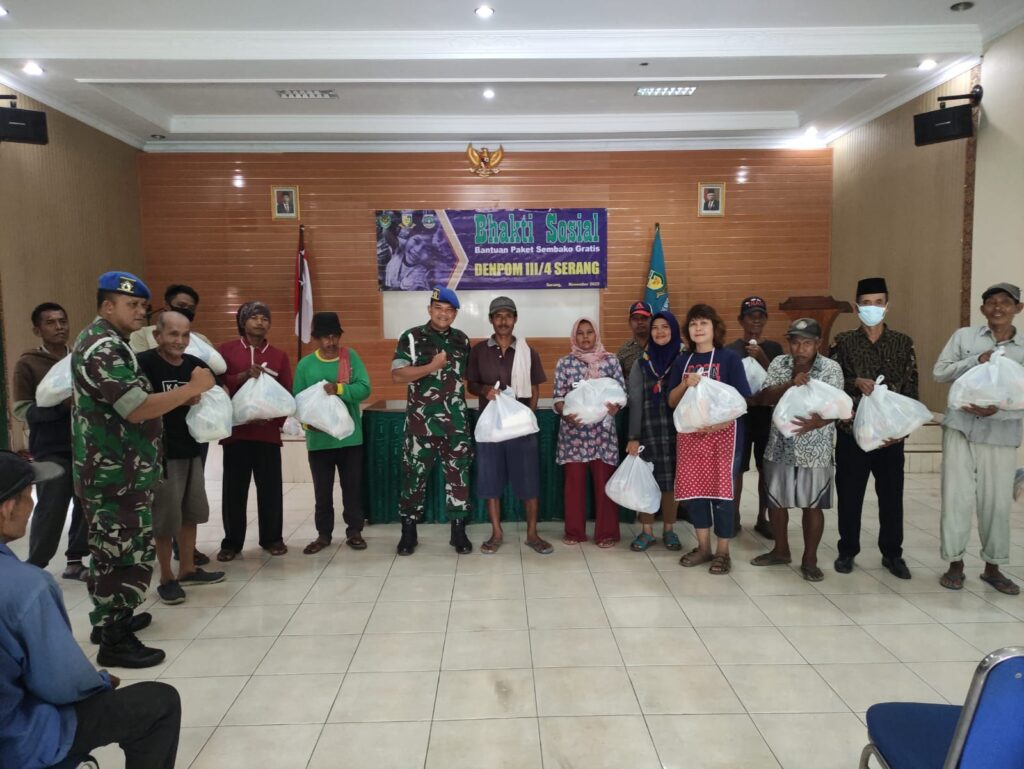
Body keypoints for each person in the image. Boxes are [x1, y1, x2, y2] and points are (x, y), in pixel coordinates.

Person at [0, 450, 182, 769]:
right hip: (15, 740)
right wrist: (99, 682)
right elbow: (62, 683)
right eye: (29, 496)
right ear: (6, 508)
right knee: (159, 703)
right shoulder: (26, 586)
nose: (31, 506)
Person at [72, 271, 215, 668]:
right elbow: (135, 407)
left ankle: (110, 621)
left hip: (118, 469)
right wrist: (192, 388)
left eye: (142, 306)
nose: (139, 311)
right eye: (131, 304)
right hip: (114, 474)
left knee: (110, 550)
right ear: (107, 306)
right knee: (121, 553)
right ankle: (116, 641)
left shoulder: (108, 342)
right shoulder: (104, 347)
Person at [933, 282, 1024, 595]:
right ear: (983, 308)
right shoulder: (964, 337)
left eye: (1005, 302)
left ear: (1018, 308)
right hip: (960, 427)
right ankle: (955, 563)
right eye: (991, 302)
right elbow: (940, 372)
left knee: (996, 503)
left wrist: (997, 412)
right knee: (955, 498)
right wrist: (975, 361)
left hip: (1002, 433)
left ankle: (993, 567)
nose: (998, 307)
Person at [829, 277, 918, 580]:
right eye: (866, 303)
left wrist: (902, 431)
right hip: (852, 433)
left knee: (891, 496)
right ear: (857, 308)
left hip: (890, 437)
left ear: (887, 305)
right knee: (850, 495)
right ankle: (847, 550)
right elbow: (831, 383)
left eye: (878, 303)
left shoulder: (903, 343)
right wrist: (854, 381)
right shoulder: (843, 342)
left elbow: (911, 389)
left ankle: (892, 553)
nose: (872, 308)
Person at [130, 283, 221, 567]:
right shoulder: (143, 363)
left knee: (191, 513)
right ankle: (167, 575)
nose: (179, 341)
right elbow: (141, 405)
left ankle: (187, 568)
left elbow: (213, 391)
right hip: (161, 454)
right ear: (157, 335)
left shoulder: (194, 364)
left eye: (185, 335)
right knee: (165, 519)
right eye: (172, 334)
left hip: (191, 448)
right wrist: (184, 396)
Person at [749, 318, 843, 582]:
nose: (800, 349)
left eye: (807, 343)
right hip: (779, 446)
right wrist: (790, 384)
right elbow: (764, 397)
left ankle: (810, 560)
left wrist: (818, 422)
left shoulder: (830, 368)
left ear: (818, 344)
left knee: (812, 505)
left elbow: (838, 406)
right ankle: (781, 550)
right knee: (776, 502)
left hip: (815, 449)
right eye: (795, 342)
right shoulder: (780, 363)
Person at [667, 304, 751, 574]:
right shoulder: (683, 361)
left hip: (724, 436)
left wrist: (718, 425)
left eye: (704, 323)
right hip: (691, 437)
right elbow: (671, 401)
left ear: (715, 328)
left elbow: (742, 400)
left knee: (722, 495)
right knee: (695, 494)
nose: (698, 328)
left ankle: (723, 551)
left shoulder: (729, 359)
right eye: (693, 324)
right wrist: (684, 384)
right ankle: (703, 547)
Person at [391, 286, 474, 556]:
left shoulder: (462, 340)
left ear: (455, 314)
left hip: (456, 425)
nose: (443, 314)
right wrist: (431, 367)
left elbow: (466, 378)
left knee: (459, 478)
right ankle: (408, 532)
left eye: (449, 310)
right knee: (413, 478)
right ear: (430, 310)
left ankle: (458, 531)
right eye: (439, 309)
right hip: (421, 424)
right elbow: (398, 375)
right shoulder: (412, 337)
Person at [466, 296, 551, 555]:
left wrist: (528, 418)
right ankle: (496, 533)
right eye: (498, 316)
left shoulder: (528, 352)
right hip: (491, 427)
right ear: (491, 320)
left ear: (515, 319)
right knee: (491, 480)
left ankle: (532, 534)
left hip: (520, 428)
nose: (503, 321)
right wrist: (485, 390)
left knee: (529, 482)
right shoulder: (479, 351)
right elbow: (471, 385)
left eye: (508, 316)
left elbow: (535, 388)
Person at [11, 302, 89, 579]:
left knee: (86, 504)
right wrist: (60, 408)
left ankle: (76, 561)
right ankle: (36, 565)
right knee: (51, 507)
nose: (59, 327)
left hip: (85, 444)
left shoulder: (80, 358)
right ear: (37, 330)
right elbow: (21, 410)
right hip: (50, 448)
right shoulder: (28, 363)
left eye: (62, 321)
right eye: (51, 323)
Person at [216, 301, 293, 561]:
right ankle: (231, 542)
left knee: (270, 489)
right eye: (254, 317)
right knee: (234, 491)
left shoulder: (279, 356)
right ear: (243, 321)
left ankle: (272, 538)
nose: (260, 322)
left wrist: (271, 418)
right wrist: (242, 376)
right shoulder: (226, 351)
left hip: (267, 434)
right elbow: (216, 385)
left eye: (265, 318)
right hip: (236, 434)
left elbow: (286, 393)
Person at [292, 311, 372, 554]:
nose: (331, 342)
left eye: (335, 336)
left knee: (352, 488)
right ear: (316, 339)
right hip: (319, 441)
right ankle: (323, 534)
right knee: (322, 491)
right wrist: (308, 425)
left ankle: (354, 531)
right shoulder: (305, 365)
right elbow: (297, 403)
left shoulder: (350, 357)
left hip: (350, 438)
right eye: (326, 337)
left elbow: (364, 389)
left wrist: (338, 389)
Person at [553, 318, 626, 547]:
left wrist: (616, 407)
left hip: (603, 435)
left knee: (605, 484)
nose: (585, 337)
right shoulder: (565, 363)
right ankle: (574, 532)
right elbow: (558, 397)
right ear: (574, 336)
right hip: (574, 434)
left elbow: (621, 393)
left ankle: (607, 533)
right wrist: (564, 413)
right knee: (574, 486)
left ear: (596, 335)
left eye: (589, 332)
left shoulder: (611, 361)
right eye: (581, 333)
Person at [625, 311, 685, 552]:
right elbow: (635, 402)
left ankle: (669, 530)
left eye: (665, 327)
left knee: (672, 482)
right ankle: (647, 531)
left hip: (678, 431)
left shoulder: (684, 361)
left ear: (674, 330)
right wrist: (633, 437)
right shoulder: (641, 363)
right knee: (646, 481)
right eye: (655, 327)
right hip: (648, 430)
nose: (659, 332)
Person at [725, 296, 784, 538]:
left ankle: (763, 517)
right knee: (736, 468)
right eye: (751, 316)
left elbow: (781, 381)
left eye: (760, 316)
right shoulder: (730, 349)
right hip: (739, 417)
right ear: (741, 320)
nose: (756, 321)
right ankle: (734, 516)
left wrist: (762, 357)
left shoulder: (775, 349)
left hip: (766, 417)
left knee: (765, 468)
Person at [616, 300, 653, 379]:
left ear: (652, 320)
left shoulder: (660, 346)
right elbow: (618, 380)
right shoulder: (623, 351)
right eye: (635, 319)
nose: (640, 322)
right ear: (630, 322)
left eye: (644, 318)